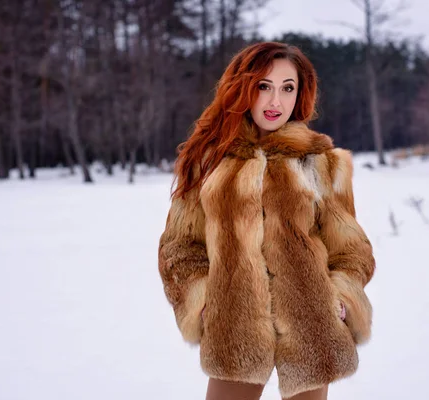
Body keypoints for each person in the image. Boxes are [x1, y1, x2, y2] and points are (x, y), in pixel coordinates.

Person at [158, 42, 375, 400]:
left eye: (287, 88)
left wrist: (341, 296)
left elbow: (352, 248)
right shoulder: (210, 160)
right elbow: (179, 246)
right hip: (235, 326)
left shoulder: (322, 162)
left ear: (300, 94)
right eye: (264, 86)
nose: (276, 102)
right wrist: (203, 301)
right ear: (243, 87)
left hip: (311, 326)